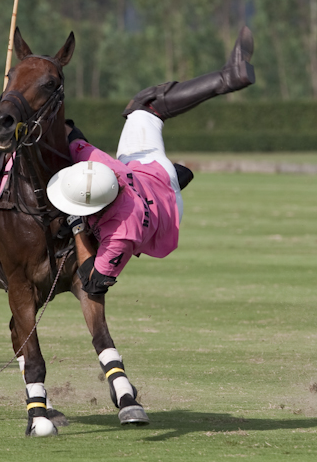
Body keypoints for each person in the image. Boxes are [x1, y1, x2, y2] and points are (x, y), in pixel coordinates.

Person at [47, 26, 254, 312]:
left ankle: (174, 184)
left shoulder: (121, 234)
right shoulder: (99, 163)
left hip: (166, 213)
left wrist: (78, 226)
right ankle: (229, 76)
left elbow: (94, 283)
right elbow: (69, 133)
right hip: (150, 172)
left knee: (145, 116)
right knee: (145, 107)